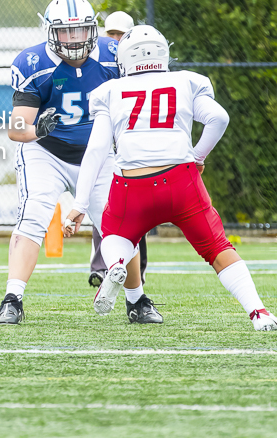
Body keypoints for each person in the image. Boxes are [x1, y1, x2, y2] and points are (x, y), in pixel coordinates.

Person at [65, 25, 276, 330]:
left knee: (115, 234)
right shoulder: (185, 81)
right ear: (163, 53)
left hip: (131, 185)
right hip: (180, 180)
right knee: (217, 248)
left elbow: (97, 148)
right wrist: (198, 156)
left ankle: (115, 265)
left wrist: (79, 204)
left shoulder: (110, 91)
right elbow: (219, 118)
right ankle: (258, 312)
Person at [0, 0, 157, 325]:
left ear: (93, 29)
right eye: (66, 33)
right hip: (46, 151)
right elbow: (15, 128)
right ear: (50, 32)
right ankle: (12, 298)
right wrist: (37, 129)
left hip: (98, 155)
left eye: (81, 31)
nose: (74, 39)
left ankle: (137, 300)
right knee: (32, 218)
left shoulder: (115, 57)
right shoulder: (33, 63)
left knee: (122, 225)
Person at [87, 11, 148, 288]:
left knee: (135, 209)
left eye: (120, 35)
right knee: (103, 208)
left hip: (127, 143)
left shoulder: (136, 66)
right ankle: (101, 267)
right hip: (103, 140)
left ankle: (138, 272)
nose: (114, 40)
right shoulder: (96, 62)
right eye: (111, 34)